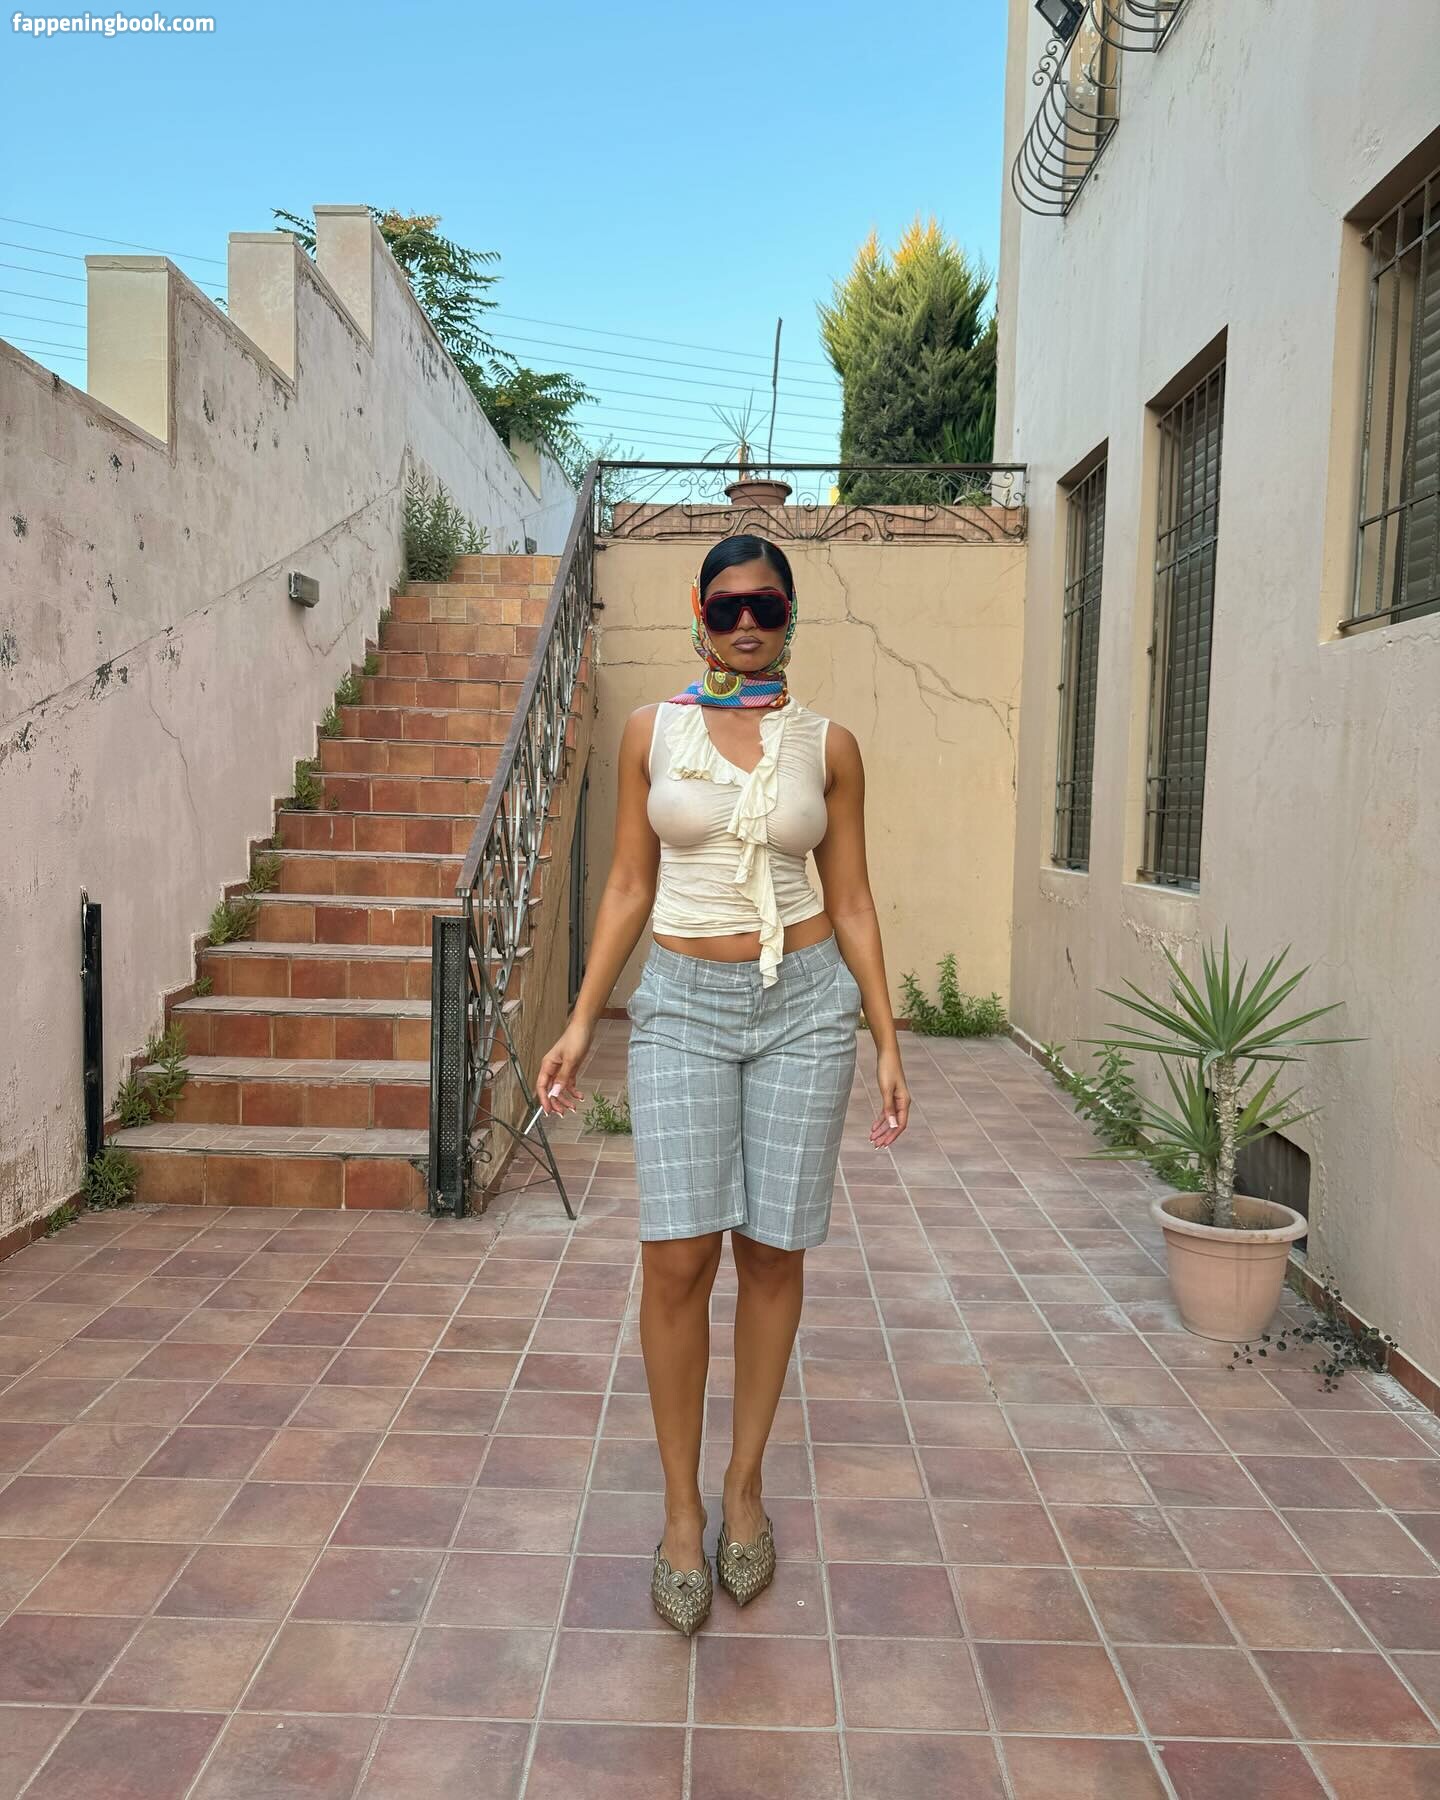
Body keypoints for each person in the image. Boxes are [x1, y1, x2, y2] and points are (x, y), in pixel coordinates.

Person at [536, 533, 911, 1634]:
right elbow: (626, 884)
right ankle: (679, 1509)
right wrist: (578, 1022)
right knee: (678, 1256)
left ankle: (745, 1487)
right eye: (730, 606)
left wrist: (886, 1038)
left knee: (774, 1250)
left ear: (790, 617)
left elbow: (852, 899)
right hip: (682, 1009)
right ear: (698, 613)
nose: (749, 623)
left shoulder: (828, 747)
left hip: (806, 1007)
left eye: (769, 607)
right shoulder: (652, 732)